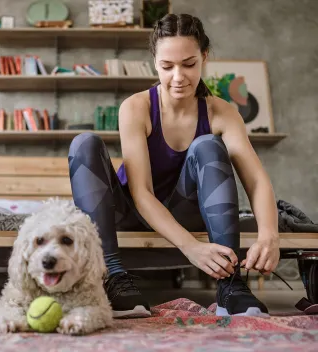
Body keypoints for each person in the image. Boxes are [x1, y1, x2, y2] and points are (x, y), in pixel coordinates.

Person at [68, 13, 279, 319]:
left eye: (189, 64)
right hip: (130, 212)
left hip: (184, 211)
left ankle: (229, 285)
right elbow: (141, 194)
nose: (178, 76)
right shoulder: (136, 107)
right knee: (83, 144)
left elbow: (257, 181)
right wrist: (192, 248)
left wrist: (269, 236)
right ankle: (112, 275)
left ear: (204, 57)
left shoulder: (223, 113)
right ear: (155, 61)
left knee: (207, 144)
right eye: (167, 66)